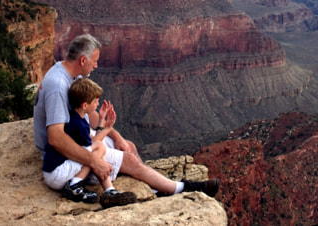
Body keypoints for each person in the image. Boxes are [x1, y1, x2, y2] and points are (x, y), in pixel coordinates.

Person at [35, 34, 218, 202]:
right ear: (83, 60)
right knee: (128, 160)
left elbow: (89, 116)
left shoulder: (71, 76)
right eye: (95, 61)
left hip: (73, 140)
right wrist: (94, 161)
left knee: (128, 146)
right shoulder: (58, 86)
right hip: (61, 158)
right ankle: (181, 188)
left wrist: (116, 136)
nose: (96, 65)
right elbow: (56, 138)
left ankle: (155, 188)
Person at [45, 78, 137, 207]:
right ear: (84, 105)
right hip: (58, 173)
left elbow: (91, 141)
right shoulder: (78, 124)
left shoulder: (74, 118)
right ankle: (76, 185)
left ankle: (109, 190)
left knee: (96, 149)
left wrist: (101, 121)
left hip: (52, 172)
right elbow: (94, 143)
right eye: (95, 101)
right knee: (98, 149)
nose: (97, 104)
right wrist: (108, 128)